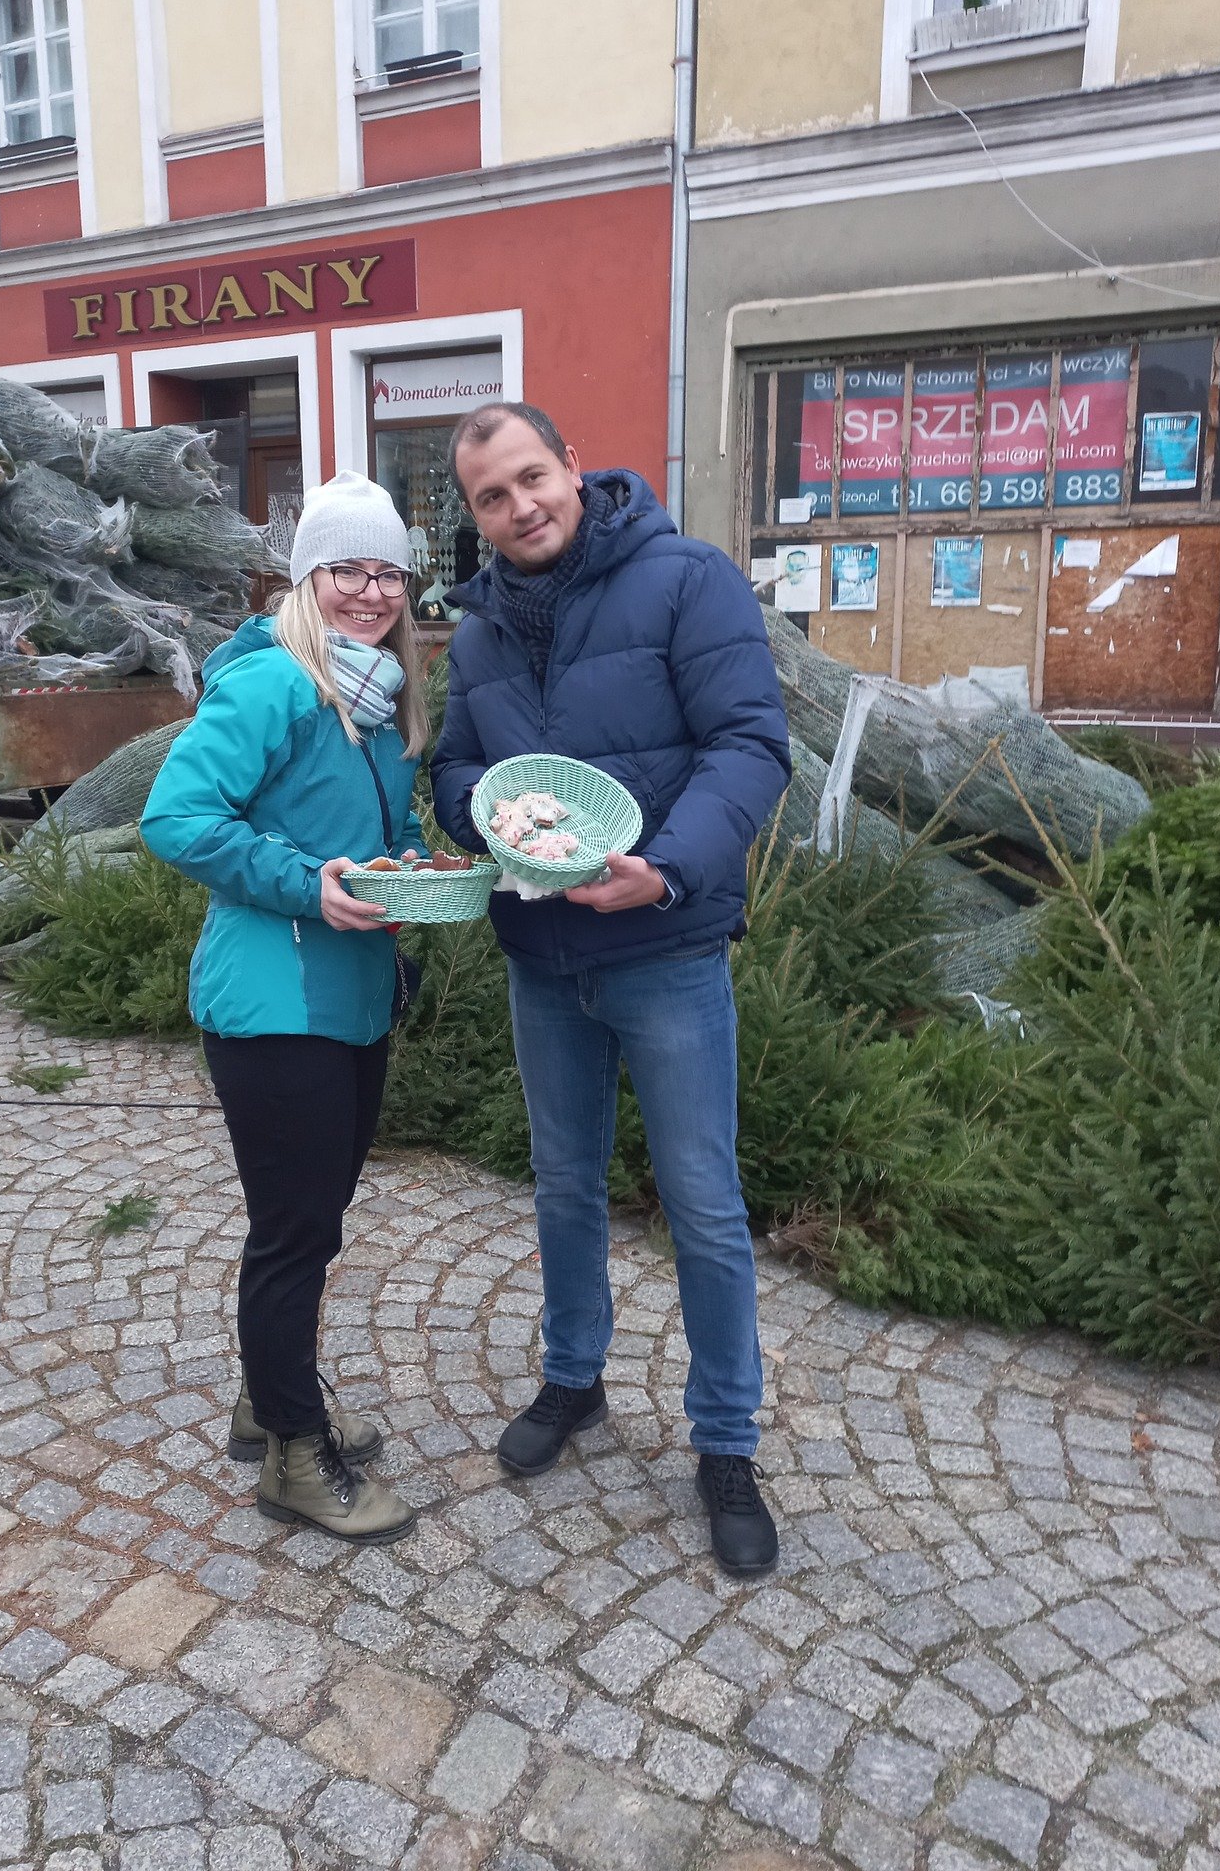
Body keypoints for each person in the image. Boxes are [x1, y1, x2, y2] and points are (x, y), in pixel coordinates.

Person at [431, 403, 792, 1575]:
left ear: (574, 465)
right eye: (492, 494)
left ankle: (726, 1442)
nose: (520, 505)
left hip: (668, 948)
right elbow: (451, 767)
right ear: (476, 512)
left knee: (702, 1202)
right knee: (564, 1186)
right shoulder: (477, 627)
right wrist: (484, 812)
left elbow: (749, 743)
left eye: (532, 476)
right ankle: (574, 1377)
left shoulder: (687, 579)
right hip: (543, 956)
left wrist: (670, 867)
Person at [141, 470, 429, 1547]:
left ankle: (272, 1400)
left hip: (350, 1001)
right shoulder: (272, 683)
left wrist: (407, 874)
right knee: (293, 1234)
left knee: (313, 1224)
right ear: (307, 578)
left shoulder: (379, 691)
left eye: (386, 569)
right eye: (344, 568)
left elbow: (357, 845)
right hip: (272, 1006)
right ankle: (297, 1463)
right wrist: (308, 881)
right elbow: (177, 817)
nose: (367, 589)